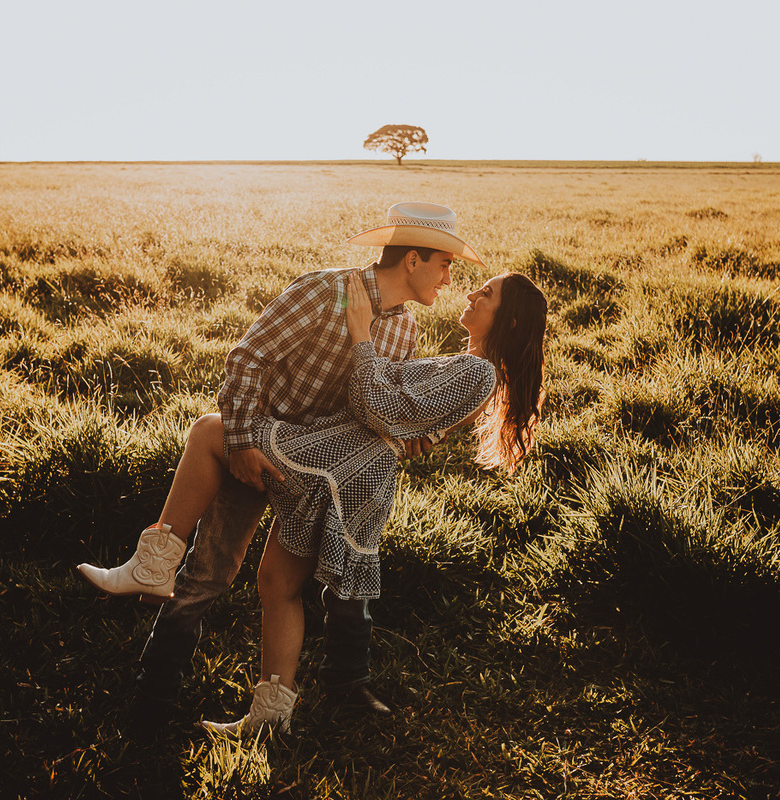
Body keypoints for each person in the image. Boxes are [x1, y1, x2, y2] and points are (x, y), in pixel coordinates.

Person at [78, 202, 486, 730]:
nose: (450, 279)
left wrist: (412, 432)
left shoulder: (404, 331)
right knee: (207, 575)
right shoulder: (324, 292)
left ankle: (271, 716)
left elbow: (379, 404)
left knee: (279, 586)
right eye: (444, 265)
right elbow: (247, 358)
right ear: (413, 259)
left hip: (314, 475)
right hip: (259, 452)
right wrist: (245, 443)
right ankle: (153, 699)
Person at [197, 268, 548, 736]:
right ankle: (276, 715)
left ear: (510, 321)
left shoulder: (477, 373)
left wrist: (362, 335)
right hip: (350, 469)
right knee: (277, 581)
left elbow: (376, 408)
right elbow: (397, 413)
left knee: (211, 433)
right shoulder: (466, 367)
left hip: (345, 472)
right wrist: (410, 424)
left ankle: (157, 559)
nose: (469, 293)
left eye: (486, 294)